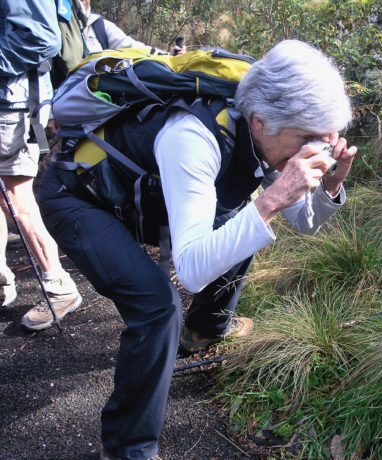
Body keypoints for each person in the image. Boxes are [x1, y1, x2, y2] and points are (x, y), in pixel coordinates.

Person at [38, 39, 356, 459]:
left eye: (322, 140)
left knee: (241, 221)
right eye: (306, 138)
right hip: (78, 197)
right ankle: (127, 447)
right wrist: (272, 198)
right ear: (261, 122)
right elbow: (190, 270)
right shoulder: (193, 136)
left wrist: (329, 187)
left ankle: (203, 331)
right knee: (157, 306)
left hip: (146, 203)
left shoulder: (265, 133)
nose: (312, 151)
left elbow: (304, 221)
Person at [0, 0, 82, 328]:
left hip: (14, 103)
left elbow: (41, 36)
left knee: (16, 194)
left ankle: (58, 285)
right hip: (13, 98)